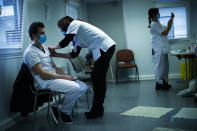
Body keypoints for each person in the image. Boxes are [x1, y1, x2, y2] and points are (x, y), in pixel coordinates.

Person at [48, 16, 116, 119]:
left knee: (97, 78)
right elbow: (73, 54)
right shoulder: (76, 38)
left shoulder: (74, 23)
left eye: (61, 28)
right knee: (97, 78)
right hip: (101, 49)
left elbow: (66, 40)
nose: (62, 31)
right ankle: (98, 109)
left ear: (66, 25)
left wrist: (53, 47)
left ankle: (97, 109)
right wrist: (56, 54)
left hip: (105, 47)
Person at [23, 22, 87, 124]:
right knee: (75, 88)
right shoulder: (30, 52)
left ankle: (57, 106)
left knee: (83, 87)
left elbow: (55, 67)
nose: (44, 35)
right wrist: (64, 77)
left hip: (54, 77)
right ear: (34, 35)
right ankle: (64, 112)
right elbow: (43, 74)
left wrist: (68, 76)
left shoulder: (45, 48)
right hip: (44, 81)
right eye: (42, 33)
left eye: (45, 32)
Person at [148, 8, 174, 90]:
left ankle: (165, 82)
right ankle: (159, 84)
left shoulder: (158, 23)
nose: (159, 14)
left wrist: (169, 24)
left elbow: (166, 30)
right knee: (159, 67)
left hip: (163, 48)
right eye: (158, 13)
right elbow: (165, 32)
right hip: (159, 48)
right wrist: (171, 20)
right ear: (153, 14)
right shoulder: (154, 24)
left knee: (165, 66)